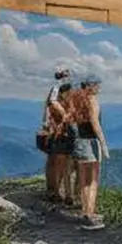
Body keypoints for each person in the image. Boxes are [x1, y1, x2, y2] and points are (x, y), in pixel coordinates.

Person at [71, 75, 109, 229]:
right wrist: (103, 143)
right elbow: (95, 122)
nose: (99, 88)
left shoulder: (77, 99)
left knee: (83, 181)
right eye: (98, 85)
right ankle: (90, 216)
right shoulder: (92, 100)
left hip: (79, 140)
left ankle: (85, 212)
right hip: (91, 142)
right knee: (93, 181)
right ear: (91, 85)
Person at [37, 67, 72, 203]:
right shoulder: (58, 88)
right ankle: (53, 190)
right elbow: (52, 105)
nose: (66, 76)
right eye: (65, 74)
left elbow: (48, 106)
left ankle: (53, 189)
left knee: (55, 159)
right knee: (56, 160)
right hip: (56, 128)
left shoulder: (58, 88)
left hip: (56, 128)